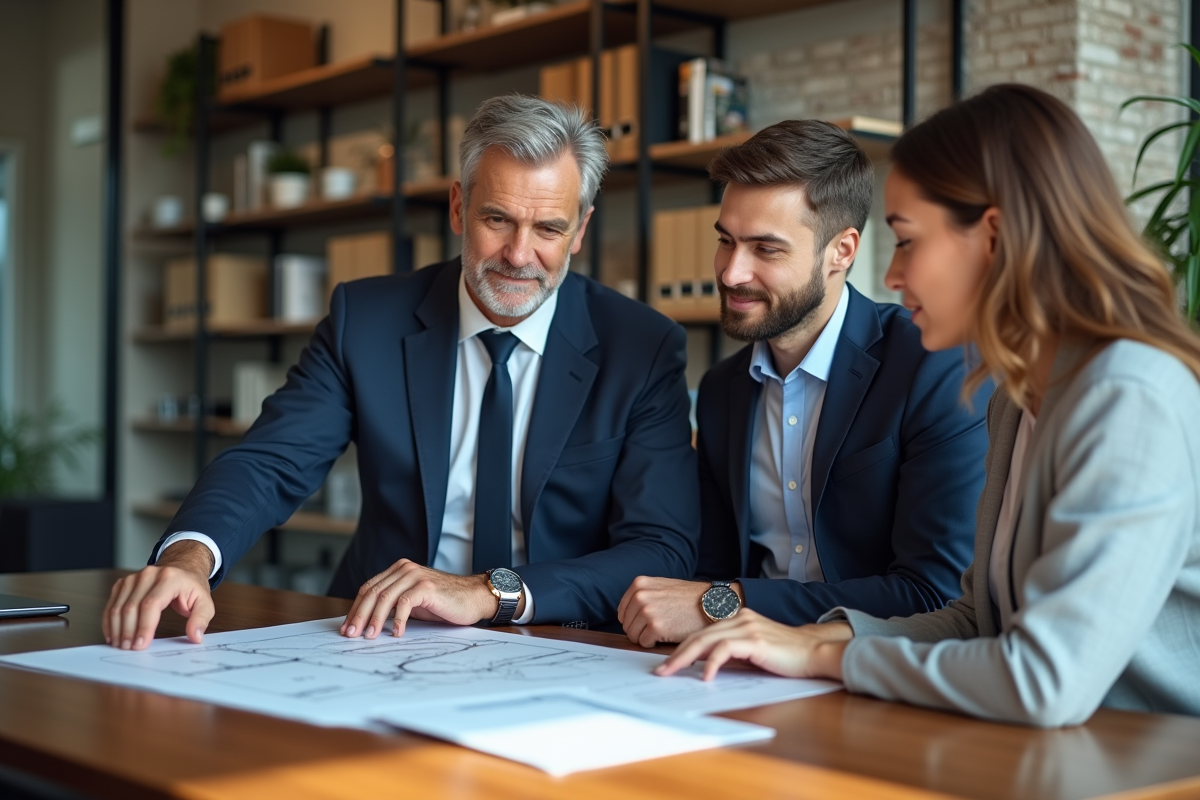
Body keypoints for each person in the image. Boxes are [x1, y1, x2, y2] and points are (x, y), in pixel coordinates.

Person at [657, 84, 1200, 726]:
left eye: (908, 241)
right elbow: (977, 619)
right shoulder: (1017, 397)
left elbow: (1045, 680)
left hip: (1154, 760)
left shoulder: (1126, 393)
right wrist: (811, 639)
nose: (890, 276)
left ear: (992, 238)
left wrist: (823, 659)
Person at [103, 95, 700, 651]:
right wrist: (186, 560)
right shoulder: (365, 319)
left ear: (580, 231)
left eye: (548, 229)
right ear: (458, 207)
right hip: (378, 632)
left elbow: (661, 548)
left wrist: (490, 592)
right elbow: (270, 462)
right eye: (497, 220)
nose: (520, 255)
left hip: (558, 637)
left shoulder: (640, 346)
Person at [618, 120, 990, 648]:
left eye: (766, 250)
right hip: (740, 670)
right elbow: (711, 564)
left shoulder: (934, 365)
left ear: (842, 251)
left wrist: (724, 604)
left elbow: (933, 594)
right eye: (726, 241)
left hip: (872, 671)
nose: (731, 274)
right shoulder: (723, 390)